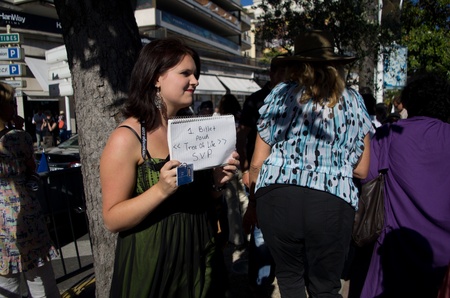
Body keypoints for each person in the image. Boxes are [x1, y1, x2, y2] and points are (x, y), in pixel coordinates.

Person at [100, 38, 240, 298]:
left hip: (198, 253)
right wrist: (161, 190)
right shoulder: (127, 137)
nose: (195, 81)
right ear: (156, 78)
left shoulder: (190, 130)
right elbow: (111, 218)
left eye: (195, 74)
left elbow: (200, 196)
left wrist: (216, 183)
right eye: (185, 73)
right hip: (154, 261)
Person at [247, 30, 372, 298]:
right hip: (331, 201)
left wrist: (254, 203)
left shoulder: (280, 95)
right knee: (325, 288)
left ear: (296, 66)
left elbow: (257, 163)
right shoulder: (353, 102)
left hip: (277, 197)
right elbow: (362, 169)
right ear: (336, 66)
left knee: (289, 280)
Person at [355, 72, 450, 298]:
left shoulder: (391, 134)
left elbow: (366, 175)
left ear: (410, 101)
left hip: (395, 251)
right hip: (443, 257)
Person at [0, 82, 60, 297]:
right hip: (24, 215)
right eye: (11, 102)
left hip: (2, 227)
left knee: (7, 288)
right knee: (41, 285)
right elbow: (30, 171)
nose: (15, 106)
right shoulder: (17, 138)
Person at [238, 56, 288, 294]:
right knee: (259, 230)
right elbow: (243, 134)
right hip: (260, 174)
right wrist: (246, 164)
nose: (289, 79)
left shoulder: (295, 101)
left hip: (285, 178)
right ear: (273, 74)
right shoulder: (255, 100)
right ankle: (260, 282)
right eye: (285, 73)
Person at [217, 94, 248, 247]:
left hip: (226, 164)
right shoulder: (241, 119)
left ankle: (236, 238)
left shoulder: (220, 122)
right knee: (244, 198)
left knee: (232, 203)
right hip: (240, 162)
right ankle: (248, 232)